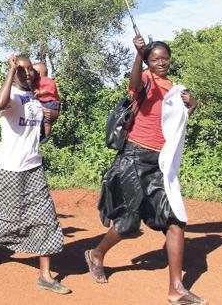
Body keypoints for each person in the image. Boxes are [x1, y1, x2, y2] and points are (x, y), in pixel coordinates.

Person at [85, 35, 207, 305]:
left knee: (176, 221)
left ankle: (176, 289)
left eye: (164, 58)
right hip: (134, 157)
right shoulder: (146, 81)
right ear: (149, 62)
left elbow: (176, 126)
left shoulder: (176, 89)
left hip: (160, 163)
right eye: (155, 59)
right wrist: (138, 55)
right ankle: (96, 254)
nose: (161, 62)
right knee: (128, 222)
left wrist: (192, 107)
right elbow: (134, 84)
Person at [0, 55, 71, 295]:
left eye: (30, 70)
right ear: (14, 72)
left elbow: (48, 117)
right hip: (8, 168)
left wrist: (51, 116)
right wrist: (10, 72)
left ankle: (45, 276)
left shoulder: (35, 95)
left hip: (33, 167)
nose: (28, 73)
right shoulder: (10, 94)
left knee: (46, 218)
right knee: (8, 221)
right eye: (22, 70)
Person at [32, 61, 60, 143]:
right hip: (43, 103)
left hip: (50, 103)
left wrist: (40, 92)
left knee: (46, 121)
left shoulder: (47, 80)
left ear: (38, 72)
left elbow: (51, 89)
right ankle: (41, 133)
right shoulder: (36, 82)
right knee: (42, 120)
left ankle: (46, 136)